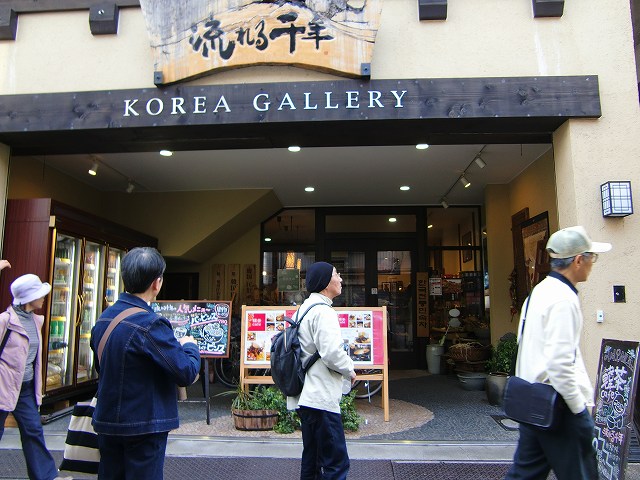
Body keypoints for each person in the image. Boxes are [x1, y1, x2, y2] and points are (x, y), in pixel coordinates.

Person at [505, 226, 612, 480]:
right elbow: (560, 363)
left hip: (533, 399)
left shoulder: (539, 291)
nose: (592, 264)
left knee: (524, 474)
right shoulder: (563, 299)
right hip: (559, 405)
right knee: (580, 474)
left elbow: (523, 342)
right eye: (591, 257)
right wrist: (578, 409)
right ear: (578, 260)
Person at [90, 247, 200, 479]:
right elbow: (186, 372)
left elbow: (103, 366)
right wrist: (190, 346)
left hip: (107, 420)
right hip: (144, 424)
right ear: (156, 283)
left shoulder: (104, 318)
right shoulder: (151, 324)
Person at [287, 261, 357, 480]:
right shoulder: (324, 312)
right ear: (326, 282)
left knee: (312, 459)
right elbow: (331, 353)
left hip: (305, 396)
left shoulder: (303, 310)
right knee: (336, 463)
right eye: (337, 274)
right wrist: (350, 369)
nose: (341, 279)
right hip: (321, 397)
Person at [0, 273, 71, 480]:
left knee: (33, 430)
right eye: (40, 294)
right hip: (4, 386)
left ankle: (46, 477)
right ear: (29, 298)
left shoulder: (35, 320)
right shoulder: (5, 321)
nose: (44, 297)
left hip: (26, 387)